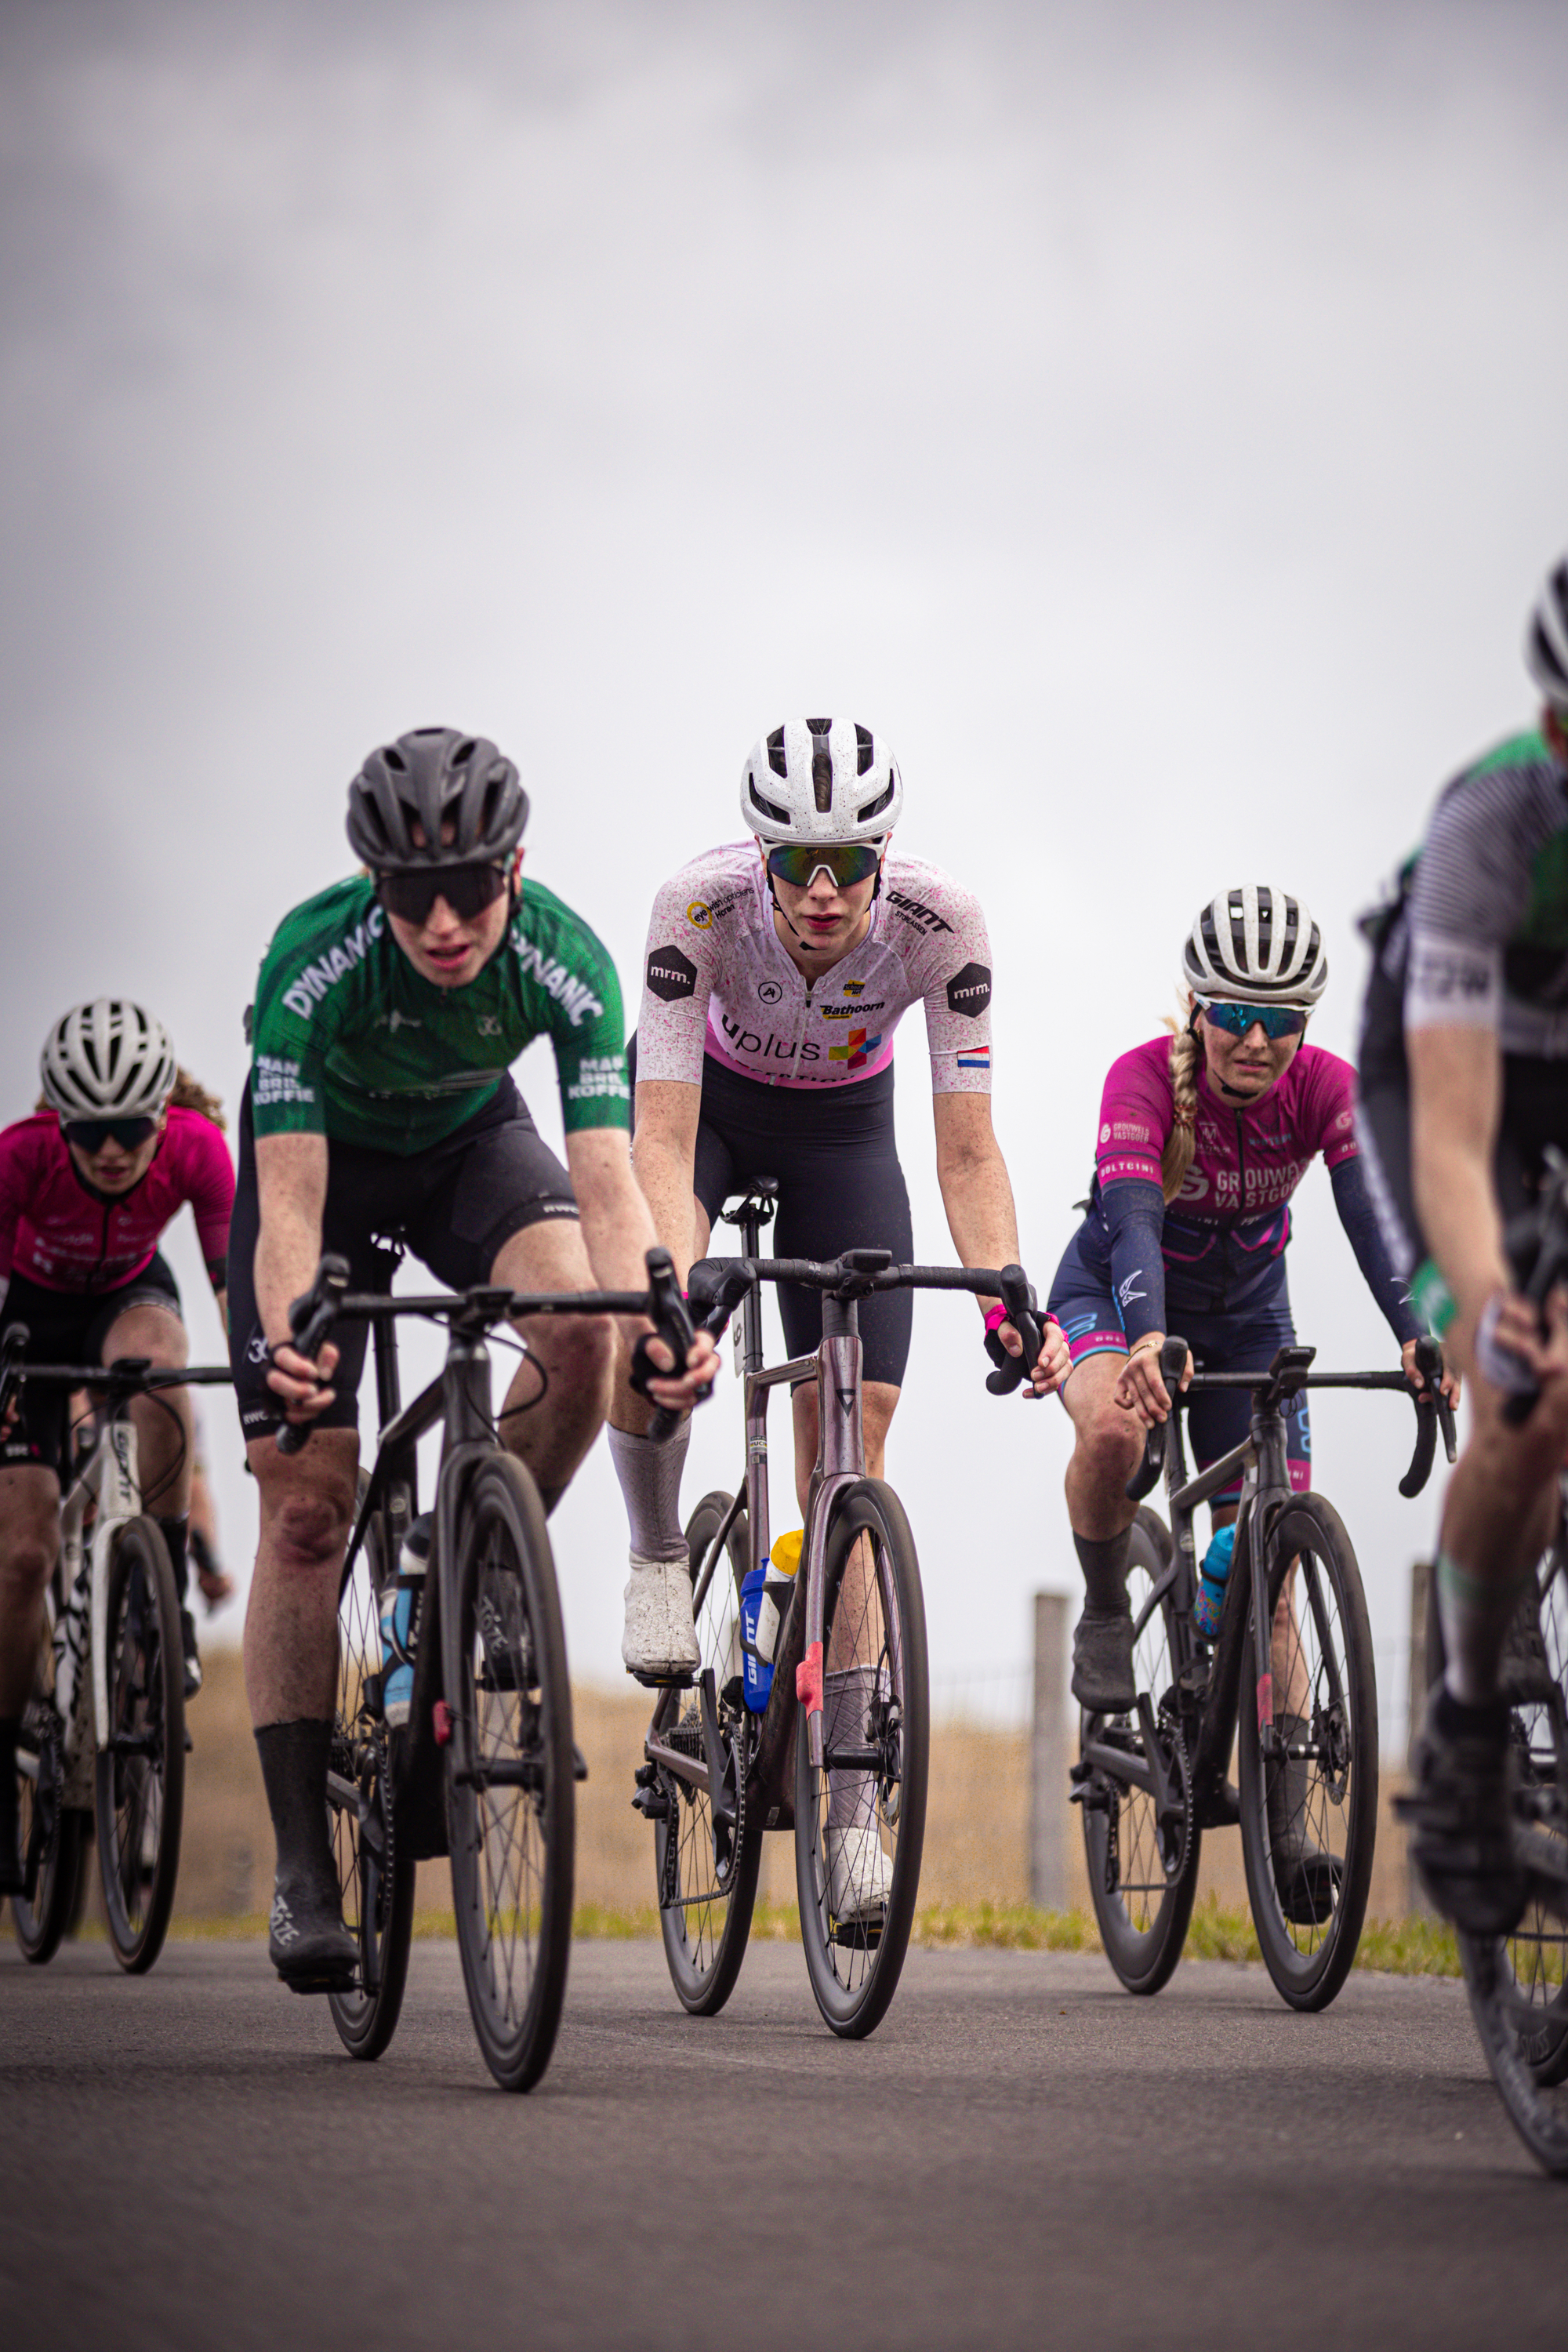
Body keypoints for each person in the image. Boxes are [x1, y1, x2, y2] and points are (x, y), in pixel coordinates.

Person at [232, 724, 713, 1990]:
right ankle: (301, 1868)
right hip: (322, 1162)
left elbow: (607, 1178)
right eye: (409, 895)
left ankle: (480, 1554)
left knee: (583, 1323)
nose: (444, 923)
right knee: (304, 1506)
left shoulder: (566, 960)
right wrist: (290, 1338)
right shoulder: (311, 963)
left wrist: (652, 1311)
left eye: (471, 890)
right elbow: (285, 1208)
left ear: (517, 867)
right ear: (371, 886)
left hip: (467, 1140)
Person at [608, 713, 1066, 1922]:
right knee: (646, 1337)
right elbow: (655, 1137)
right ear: (758, 852)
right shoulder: (696, 908)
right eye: (796, 861)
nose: (823, 889)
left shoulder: (943, 924)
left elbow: (966, 1150)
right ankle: (660, 1550)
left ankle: (853, 1813)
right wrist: (669, 1270)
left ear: (886, 851)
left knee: (852, 1450)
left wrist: (1006, 1286)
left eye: (851, 862)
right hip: (701, 1110)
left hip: (842, 1138)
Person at [1045, 887, 1451, 1905]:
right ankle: (1106, 1610)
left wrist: (1416, 1332)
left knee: (1269, 1558)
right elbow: (1133, 1216)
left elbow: (1373, 1219)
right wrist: (1144, 1341)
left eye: (1284, 1021)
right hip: (1116, 1294)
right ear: (1199, 1009)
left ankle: (1287, 1834)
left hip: (1249, 1318)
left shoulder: (1326, 1090)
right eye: (1236, 1015)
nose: (1259, 1040)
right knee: (1109, 1435)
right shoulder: (1140, 1083)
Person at [1361, 559, 1568, 1936]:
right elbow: (1449, 1133)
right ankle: (1465, 1724)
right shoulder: (1495, 821)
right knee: (1525, 1386)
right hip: (1454, 1086)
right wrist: (1494, 1305)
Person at [0, 1003, 234, 1894]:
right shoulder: (18, 1157)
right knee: (22, 1552)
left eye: (130, 1130)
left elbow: (228, 1288)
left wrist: (262, 1383)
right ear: (59, 1121)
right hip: (31, 1307)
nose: (110, 1151)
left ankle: (158, 1595)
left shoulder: (195, 1151)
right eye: (90, 1132)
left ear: (161, 1116)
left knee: (164, 1383)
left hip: (131, 1292)